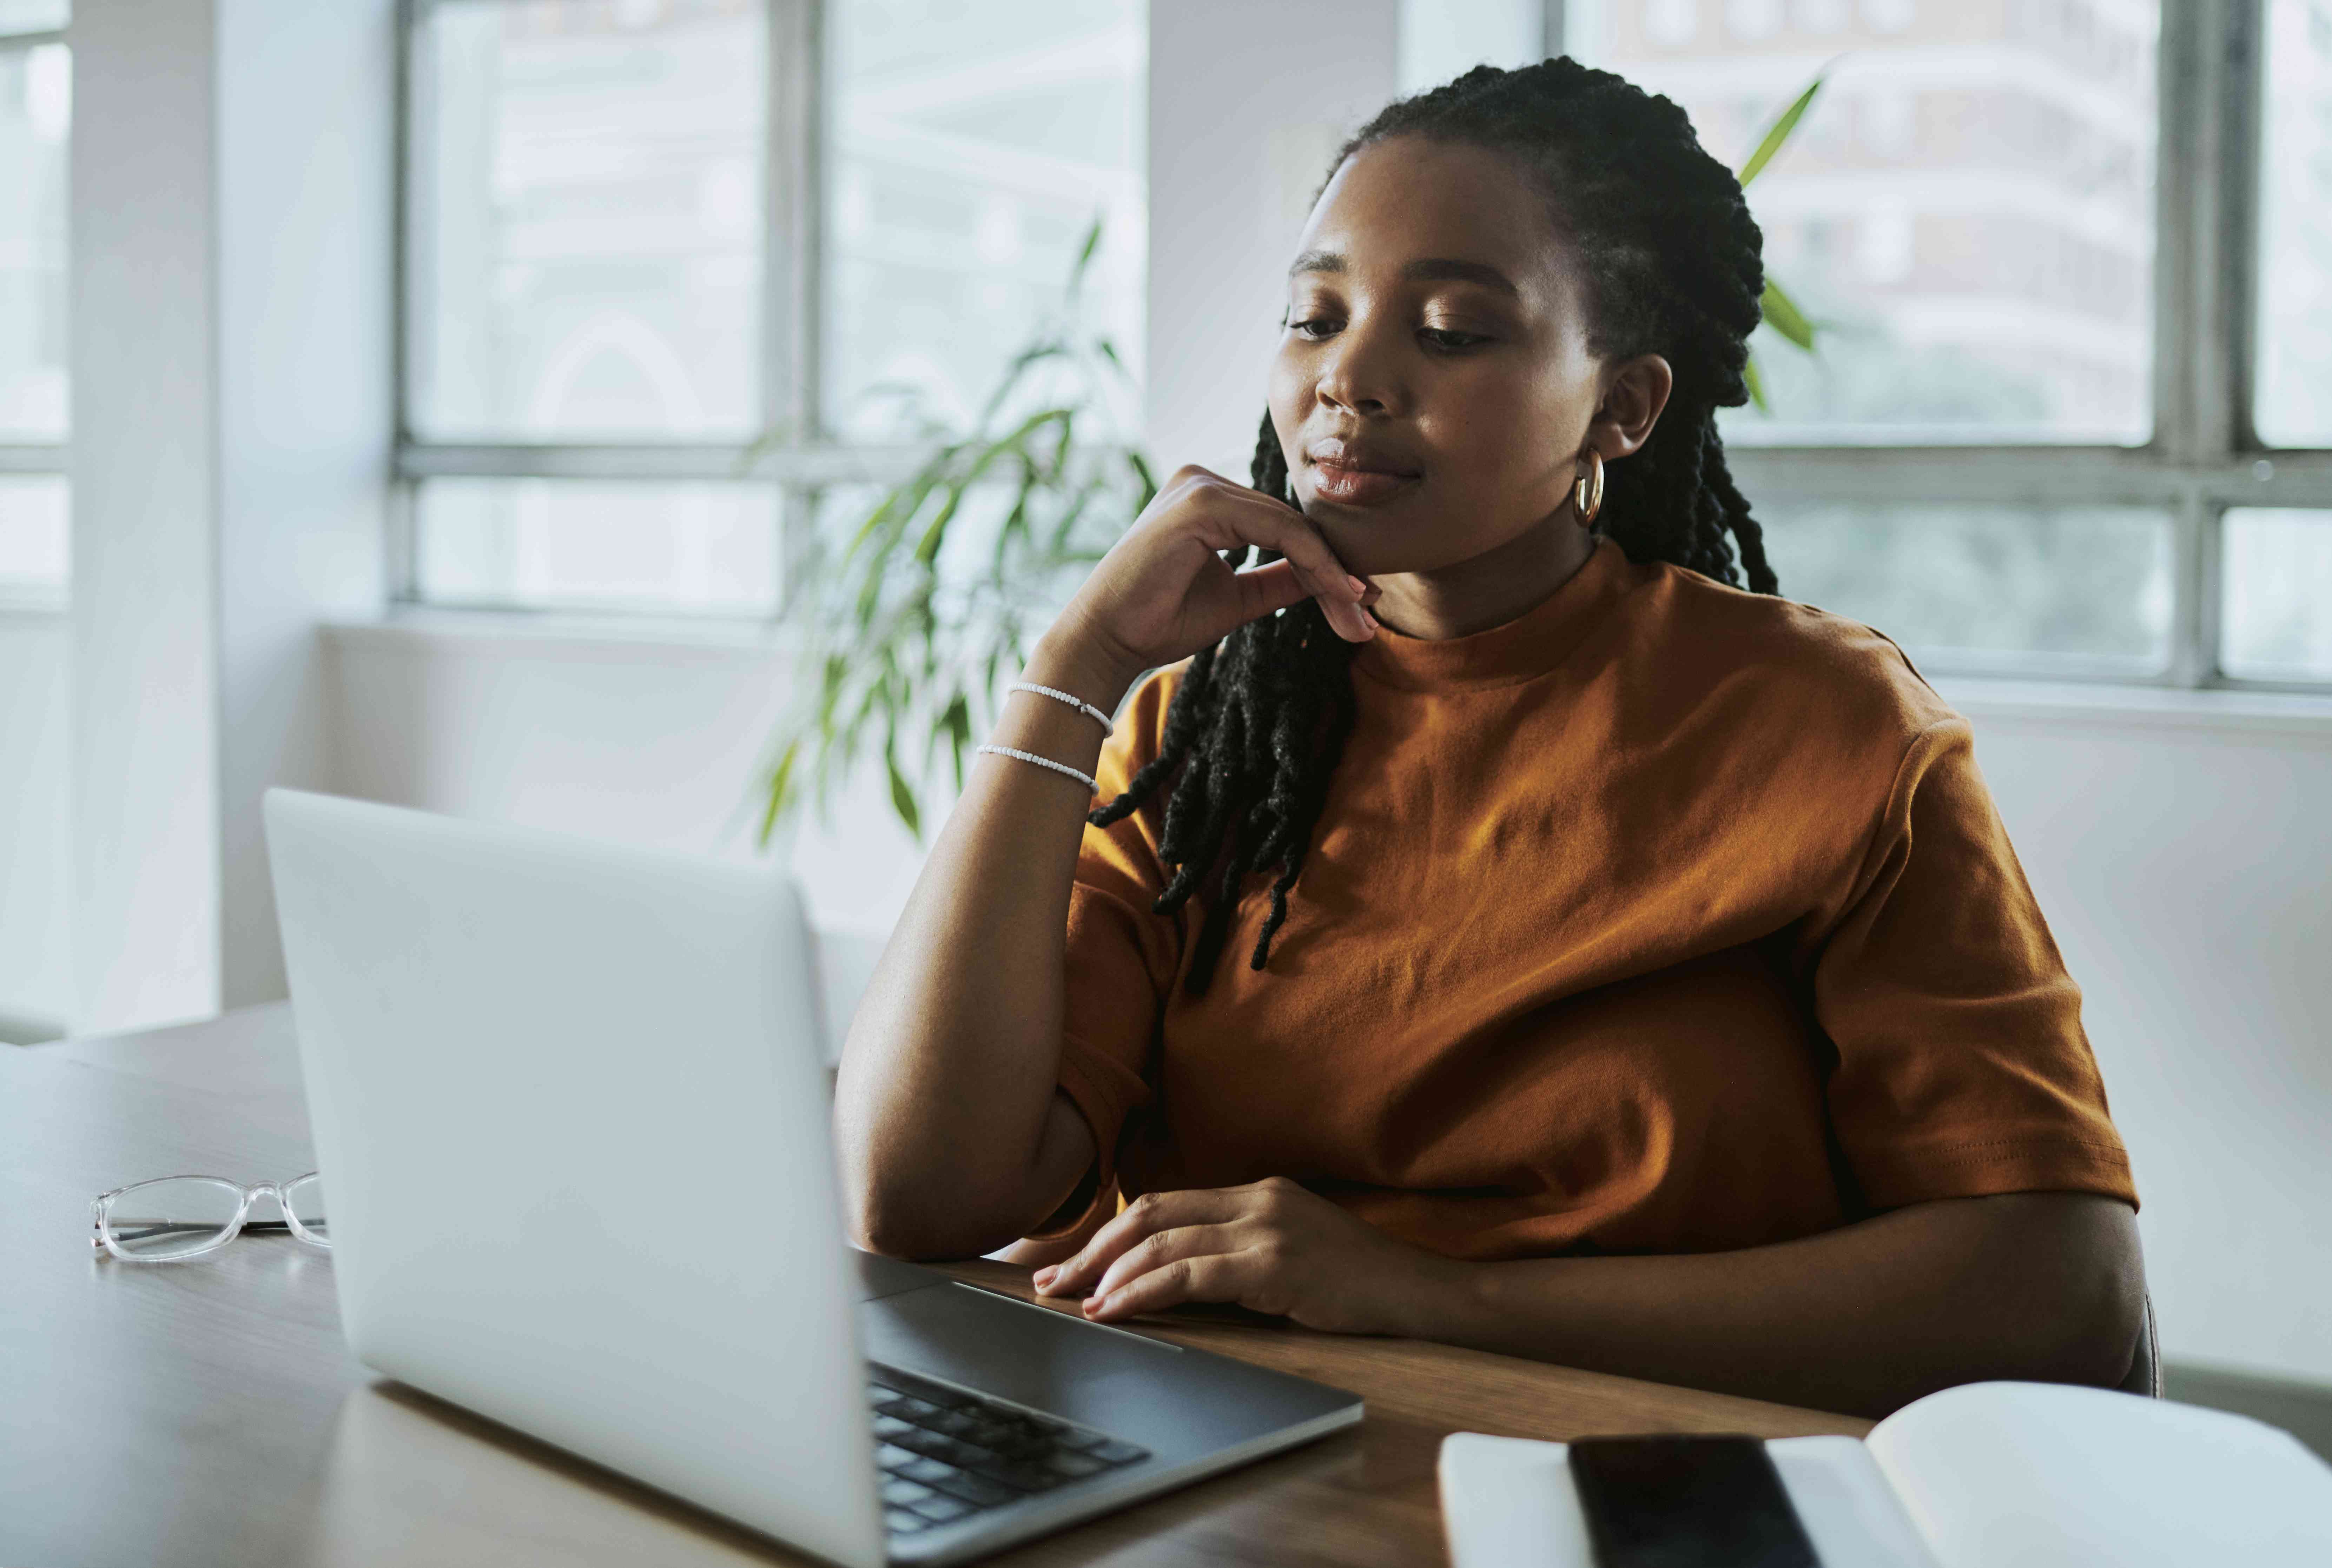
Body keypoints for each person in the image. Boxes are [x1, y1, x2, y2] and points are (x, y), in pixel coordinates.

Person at [834, 59, 2144, 1419]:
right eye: (1311, 316)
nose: (1346, 377)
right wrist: (1073, 671)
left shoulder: (1825, 723)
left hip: (1650, 1476)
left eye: (1452, 330)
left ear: (1620, 409)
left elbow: (2058, 1292)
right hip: (1240, 1455)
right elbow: (917, 1198)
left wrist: (1422, 1291)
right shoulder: (1200, 731)